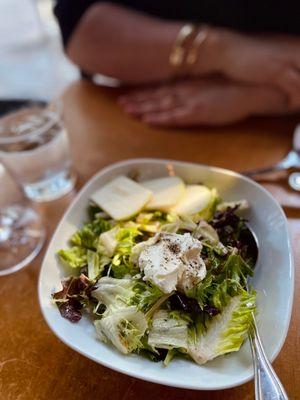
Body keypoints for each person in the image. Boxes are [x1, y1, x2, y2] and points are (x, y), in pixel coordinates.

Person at [54, 1, 300, 126]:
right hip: (139, 113)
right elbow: (79, 31)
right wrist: (219, 51)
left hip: (280, 133)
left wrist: (256, 96)